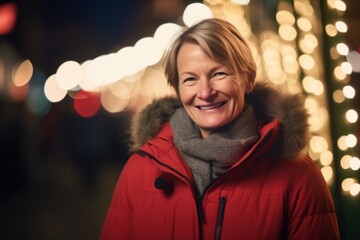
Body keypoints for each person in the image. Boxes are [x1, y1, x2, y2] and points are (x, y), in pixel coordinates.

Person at [100, 18, 340, 240]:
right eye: (190, 79)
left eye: (219, 74)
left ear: (249, 79)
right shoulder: (140, 170)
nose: (205, 92)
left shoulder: (298, 177)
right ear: (177, 88)